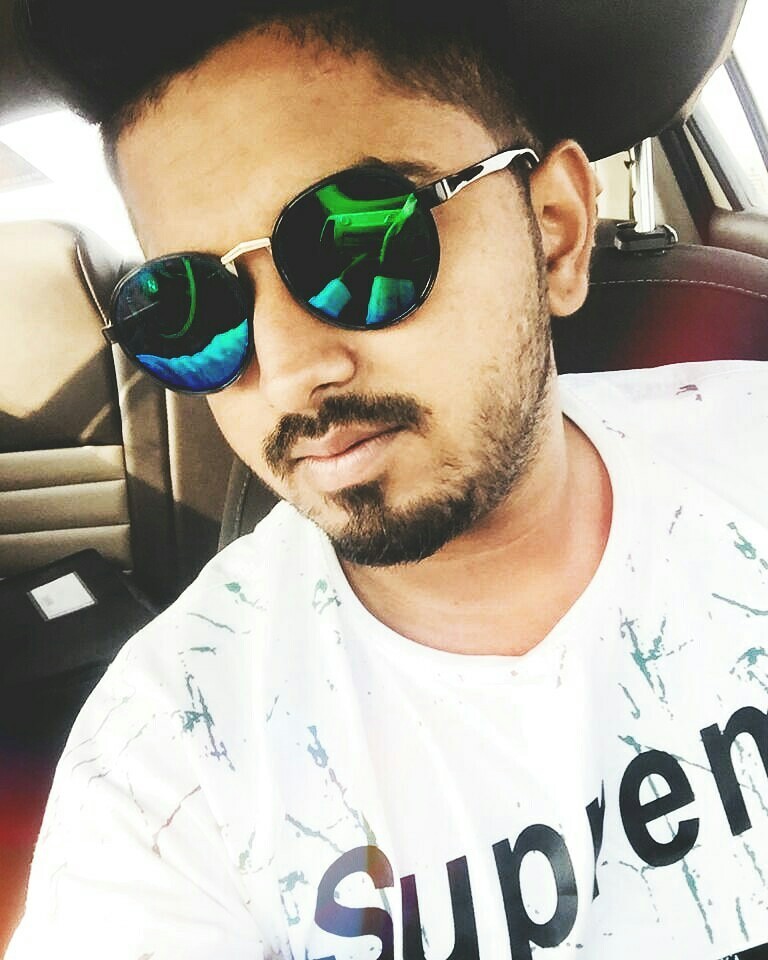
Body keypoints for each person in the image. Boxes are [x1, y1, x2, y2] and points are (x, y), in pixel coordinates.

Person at [6, 2, 768, 958]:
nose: (290, 370)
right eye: (189, 311)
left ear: (555, 233)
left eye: (359, 247)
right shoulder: (169, 762)